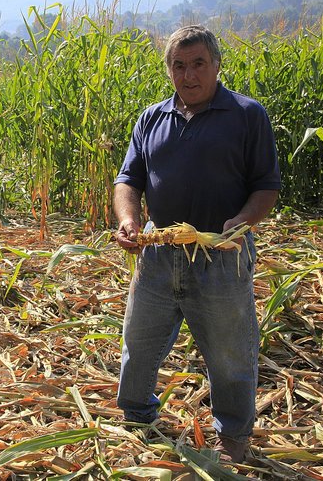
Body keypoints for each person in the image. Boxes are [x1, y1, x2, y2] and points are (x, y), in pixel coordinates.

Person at [113, 25, 281, 464]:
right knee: (139, 342)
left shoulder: (247, 115)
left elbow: (266, 186)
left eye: (198, 64)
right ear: (169, 70)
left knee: (230, 353)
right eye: (179, 66)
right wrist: (130, 220)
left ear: (217, 65)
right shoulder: (152, 118)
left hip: (220, 255)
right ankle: (136, 419)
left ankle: (233, 439)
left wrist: (242, 222)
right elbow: (127, 179)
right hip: (158, 252)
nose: (188, 75)